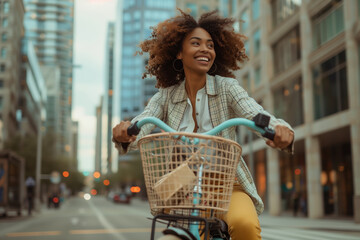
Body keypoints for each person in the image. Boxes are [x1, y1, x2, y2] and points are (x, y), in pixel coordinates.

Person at [112, 10, 294, 240]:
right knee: (178, 235)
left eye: (210, 45)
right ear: (179, 53)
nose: (205, 49)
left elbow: (255, 112)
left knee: (244, 225)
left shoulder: (227, 87)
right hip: (183, 184)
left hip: (227, 182)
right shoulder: (166, 96)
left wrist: (279, 129)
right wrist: (125, 133)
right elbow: (143, 122)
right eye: (196, 43)